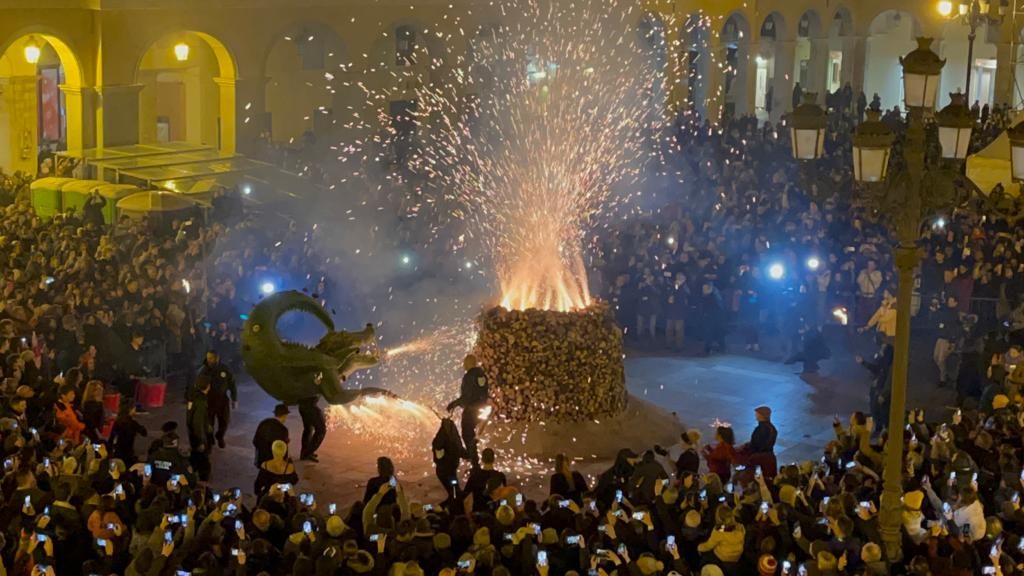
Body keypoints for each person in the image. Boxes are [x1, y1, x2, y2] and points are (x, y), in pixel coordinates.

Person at [446, 354, 489, 467]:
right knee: (471, 436)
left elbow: (467, 396)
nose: (463, 365)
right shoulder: (481, 375)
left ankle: (475, 464)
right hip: (480, 410)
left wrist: (454, 404)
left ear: (470, 363)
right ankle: (473, 459)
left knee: (467, 435)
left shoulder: (469, 376)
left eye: (465, 362)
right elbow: (481, 394)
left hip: (471, 410)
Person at [195, 350, 237, 448]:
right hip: (208, 401)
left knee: (225, 422)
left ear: (217, 358)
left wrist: (234, 399)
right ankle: (210, 439)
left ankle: (220, 436)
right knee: (209, 423)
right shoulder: (203, 371)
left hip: (222, 400)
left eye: (211, 358)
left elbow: (232, 384)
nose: (209, 360)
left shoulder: (224, 369)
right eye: (208, 358)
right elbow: (197, 386)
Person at [738, 406, 778, 478]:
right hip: (769, 456)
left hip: (759, 456)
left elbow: (756, 444)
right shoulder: (772, 428)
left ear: (762, 416)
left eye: (757, 414)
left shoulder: (760, 429)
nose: (756, 415)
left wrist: (746, 448)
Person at [186, 373, 213, 481]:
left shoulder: (192, 396)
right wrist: (201, 440)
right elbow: (198, 422)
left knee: (195, 456)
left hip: (192, 433)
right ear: (207, 386)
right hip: (199, 436)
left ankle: (191, 473)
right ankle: (203, 479)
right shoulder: (201, 401)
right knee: (202, 458)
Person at [463, 448, 506, 512]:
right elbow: (504, 496)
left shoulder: (474, 477)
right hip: (495, 514)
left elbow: (464, 497)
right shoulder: (500, 476)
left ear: (482, 459)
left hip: (478, 515)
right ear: (493, 459)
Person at [432, 417, 463, 506]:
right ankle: (453, 503)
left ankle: (453, 501)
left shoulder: (447, 437)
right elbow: (459, 450)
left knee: (454, 489)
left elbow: (460, 450)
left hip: (448, 470)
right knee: (453, 489)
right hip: (446, 471)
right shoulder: (444, 439)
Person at [934, 295, 962, 387]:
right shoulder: (946, 311)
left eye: (951, 301)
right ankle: (945, 375)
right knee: (936, 357)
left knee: (941, 359)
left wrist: (952, 341)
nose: (948, 302)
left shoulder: (954, 315)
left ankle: (943, 379)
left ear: (955, 303)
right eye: (948, 300)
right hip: (941, 337)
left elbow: (955, 329)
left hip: (946, 339)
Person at [298, 395, 326, 462]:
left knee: (308, 429)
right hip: (310, 407)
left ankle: (305, 453)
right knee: (321, 430)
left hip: (303, 406)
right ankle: (307, 453)